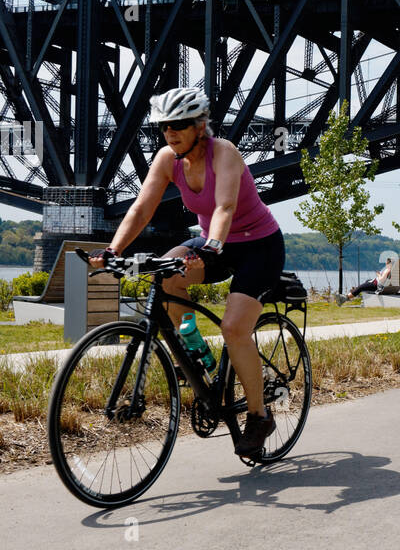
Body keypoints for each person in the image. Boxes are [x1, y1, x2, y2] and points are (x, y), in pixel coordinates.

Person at [89, 86, 286, 456]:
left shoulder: (224, 153)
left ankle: (260, 416)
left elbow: (225, 206)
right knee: (164, 274)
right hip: (214, 241)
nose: (170, 132)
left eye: (179, 124)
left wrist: (211, 249)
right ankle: (195, 349)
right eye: (164, 126)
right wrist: (114, 249)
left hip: (258, 246)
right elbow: (140, 209)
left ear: (200, 125)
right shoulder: (167, 159)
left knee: (233, 328)